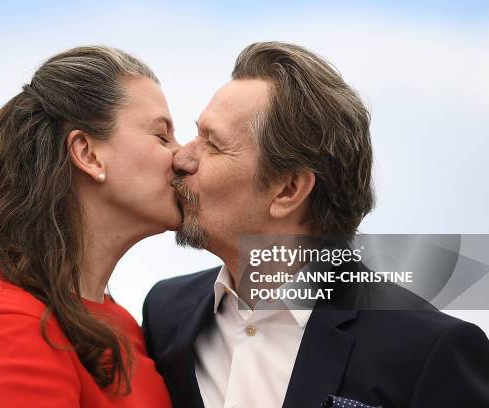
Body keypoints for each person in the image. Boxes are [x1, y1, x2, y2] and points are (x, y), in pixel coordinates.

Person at [142, 42, 489, 407]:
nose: (181, 157)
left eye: (212, 145)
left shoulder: (429, 352)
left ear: (287, 190)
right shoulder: (165, 313)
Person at [0, 45, 179, 407]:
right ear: (87, 153)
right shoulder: (7, 326)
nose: (184, 155)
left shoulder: (118, 323)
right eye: (162, 137)